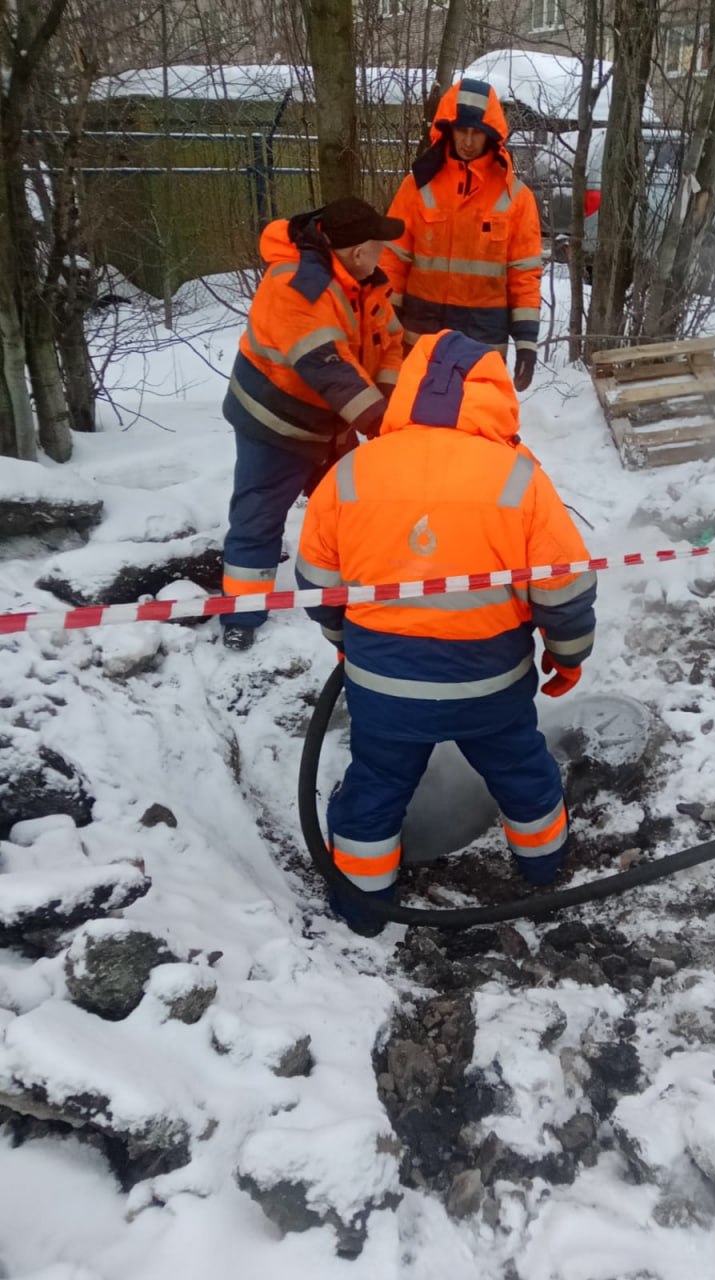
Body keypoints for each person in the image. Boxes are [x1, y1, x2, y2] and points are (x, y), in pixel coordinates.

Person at [295, 329, 597, 934]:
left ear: (407, 390)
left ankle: (361, 907)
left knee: (375, 784)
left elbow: (315, 581)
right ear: (493, 396)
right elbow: (564, 588)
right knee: (522, 771)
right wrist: (568, 659)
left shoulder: (352, 471)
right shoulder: (517, 478)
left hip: (382, 689)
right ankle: (544, 869)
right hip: (492, 687)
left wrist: (344, 642)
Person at [219, 196, 405, 650]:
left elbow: (391, 342)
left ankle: (353, 589)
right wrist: (384, 426)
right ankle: (242, 614)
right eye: (379, 246)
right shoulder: (297, 286)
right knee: (259, 513)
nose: (386, 254)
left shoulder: (366, 285)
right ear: (358, 252)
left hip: (332, 421)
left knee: (353, 504)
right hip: (275, 423)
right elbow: (327, 368)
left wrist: (393, 403)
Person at [380, 78, 543, 394]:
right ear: (448, 130)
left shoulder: (516, 197)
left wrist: (526, 342)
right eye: (462, 131)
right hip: (420, 337)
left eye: (477, 132)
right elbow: (392, 262)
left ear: (491, 136)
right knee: (418, 427)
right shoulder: (417, 187)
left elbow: (524, 276)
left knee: (475, 427)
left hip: (482, 343)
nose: (468, 141)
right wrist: (386, 326)